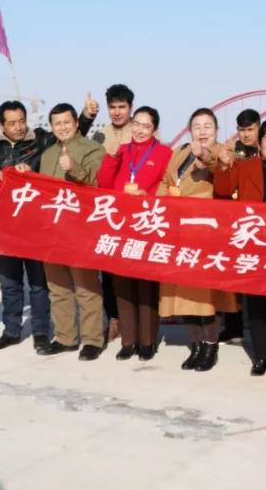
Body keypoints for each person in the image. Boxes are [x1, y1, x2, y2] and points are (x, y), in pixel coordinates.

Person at [0, 98, 95, 354]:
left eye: (22, 121)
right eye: (12, 123)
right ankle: (11, 331)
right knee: (9, 283)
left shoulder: (42, 140)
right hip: (4, 225)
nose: (19, 127)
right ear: (2, 125)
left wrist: (87, 115)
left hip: (36, 224)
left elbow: (70, 133)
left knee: (39, 283)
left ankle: (41, 332)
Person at [214, 119, 266, 378]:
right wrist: (224, 165)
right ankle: (261, 356)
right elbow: (223, 189)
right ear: (259, 143)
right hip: (255, 244)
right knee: (257, 303)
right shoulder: (245, 166)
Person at [157, 108, 240, 372]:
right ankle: (195, 344)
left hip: (206, 234)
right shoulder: (179, 152)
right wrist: (163, 201)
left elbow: (220, 168)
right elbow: (165, 180)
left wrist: (204, 155)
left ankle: (210, 345)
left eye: (207, 126)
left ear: (216, 129)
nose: (202, 131)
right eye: (197, 126)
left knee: (206, 297)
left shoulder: (222, 151)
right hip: (179, 231)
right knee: (183, 294)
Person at [97, 106, 172, 361]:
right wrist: (111, 158)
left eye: (146, 126)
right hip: (120, 226)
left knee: (146, 286)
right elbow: (104, 183)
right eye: (136, 124)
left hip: (147, 226)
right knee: (122, 286)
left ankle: (147, 341)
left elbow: (167, 187)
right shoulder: (121, 150)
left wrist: (147, 197)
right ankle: (128, 341)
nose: (139, 130)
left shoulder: (164, 153)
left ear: (155, 129)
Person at [38, 103, 107, 360]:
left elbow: (97, 184)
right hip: (52, 229)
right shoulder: (47, 154)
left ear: (77, 122)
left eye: (67, 122)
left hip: (81, 229)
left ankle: (92, 340)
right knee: (58, 287)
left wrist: (73, 167)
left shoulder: (92, 149)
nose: (63, 127)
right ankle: (65, 337)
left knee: (86, 287)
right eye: (57, 123)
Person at [93, 83, 136, 343]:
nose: (117, 112)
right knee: (107, 270)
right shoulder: (101, 135)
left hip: (134, 213)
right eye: (113, 107)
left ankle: (135, 320)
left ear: (130, 107)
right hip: (108, 212)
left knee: (133, 266)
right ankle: (113, 318)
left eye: (122, 107)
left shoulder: (140, 131)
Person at [218, 108, 262, 345]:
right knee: (231, 280)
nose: (246, 134)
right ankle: (233, 327)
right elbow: (223, 189)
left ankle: (259, 329)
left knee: (256, 280)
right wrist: (224, 165)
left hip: (260, 225)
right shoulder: (231, 154)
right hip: (235, 224)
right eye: (242, 130)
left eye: (250, 129)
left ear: (259, 128)